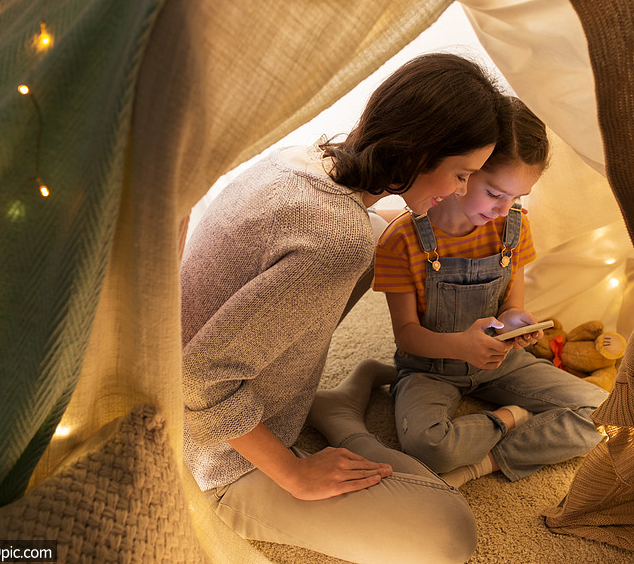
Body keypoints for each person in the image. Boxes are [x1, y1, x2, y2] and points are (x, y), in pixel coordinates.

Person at [180, 53, 510, 564]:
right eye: (462, 174)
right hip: (205, 452)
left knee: (376, 234)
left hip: (215, 381)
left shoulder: (302, 158)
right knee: (449, 532)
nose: (460, 191)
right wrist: (294, 474)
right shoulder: (335, 238)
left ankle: (328, 407)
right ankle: (340, 420)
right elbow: (198, 380)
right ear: (422, 153)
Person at [373, 98, 609, 488]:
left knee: (604, 410)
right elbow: (407, 335)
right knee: (428, 447)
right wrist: (462, 347)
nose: (504, 209)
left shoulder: (513, 227)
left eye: (517, 197)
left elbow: (512, 306)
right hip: (430, 368)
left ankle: (485, 464)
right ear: (463, 172)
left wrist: (518, 322)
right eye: (496, 193)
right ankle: (507, 418)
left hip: (502, 361)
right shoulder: (401, 239)